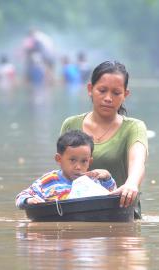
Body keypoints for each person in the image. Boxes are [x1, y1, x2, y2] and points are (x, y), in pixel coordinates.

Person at [60, 61, 148, 218]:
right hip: (76, 212)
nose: (108, 98)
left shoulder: (134, 127)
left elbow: (138, 161)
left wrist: (131, 184)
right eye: (102, 90)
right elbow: (63, 171)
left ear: (125, 95)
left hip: (120, 212)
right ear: (90, 90)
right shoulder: (71, 124)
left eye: (116, 93)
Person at [15, 130, 116, 209]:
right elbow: (21, 196)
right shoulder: (49, 180)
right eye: (72, 160)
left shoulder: (94, 180)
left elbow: (113, 195)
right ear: (59, 159)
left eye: (84, 161)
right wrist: (29, 200)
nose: (78, 167)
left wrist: (107, 178)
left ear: (90, 162)